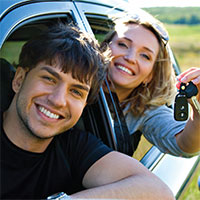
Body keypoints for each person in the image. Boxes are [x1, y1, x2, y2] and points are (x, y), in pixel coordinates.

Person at [0, 23, 175, 199]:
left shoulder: (73, 146)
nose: (58, 100)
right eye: (49, 79)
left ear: (84, 105)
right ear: (19, 79)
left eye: (76, 91)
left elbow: (159, 192)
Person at [100, 10, 200, 157]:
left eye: (145, 56)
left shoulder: (144, 111)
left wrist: (198, 112)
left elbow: (185, 145)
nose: (130, 58)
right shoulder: (71, 82)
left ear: (150, 75)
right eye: (123, 44)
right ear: (104, 48)